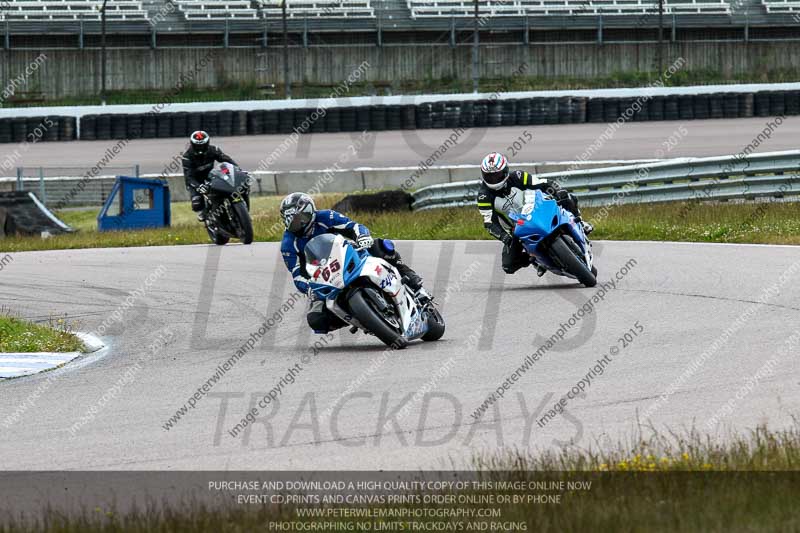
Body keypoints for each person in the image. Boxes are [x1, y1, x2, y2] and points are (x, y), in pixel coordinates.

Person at [279, 192, 430, 334]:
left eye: (299, 218)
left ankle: (414, 284)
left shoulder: (325, 216)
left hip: (346, 255)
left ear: (309, 212)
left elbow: (354, 226)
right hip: (323, 278)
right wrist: (309, 288)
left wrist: (362, 236)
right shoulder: (288, 244)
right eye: (290, 220)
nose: (295, 224)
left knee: (381, 246)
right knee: (316, 319)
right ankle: (359, 317)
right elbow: (297, 274)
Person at [476, 152, 593, 276]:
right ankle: (535, 260)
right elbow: (489, 223)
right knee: (508, 266)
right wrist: (505, 238)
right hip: (517, 228)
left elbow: (542, 183)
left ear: (505, 171)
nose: (494, 179)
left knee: (568, 197)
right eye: (490, 176)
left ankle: (580, 221)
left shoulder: (518, 176)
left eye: (497, 175)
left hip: (537, 209)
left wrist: (557, 191)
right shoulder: (484, 196)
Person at [182, 131, 238, 221]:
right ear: (192, 144)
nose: (200, 148)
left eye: (202, 145)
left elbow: (226, 160)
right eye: (197, 146)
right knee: (196, 204)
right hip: (195, 181)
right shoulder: (187, 157)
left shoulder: (213, 150)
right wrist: (198, 186)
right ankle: (205, 214)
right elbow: (189, 177)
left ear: (207, 143)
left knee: (225, 187)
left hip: (210, 176)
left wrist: (237, 169)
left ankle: (236, 209)